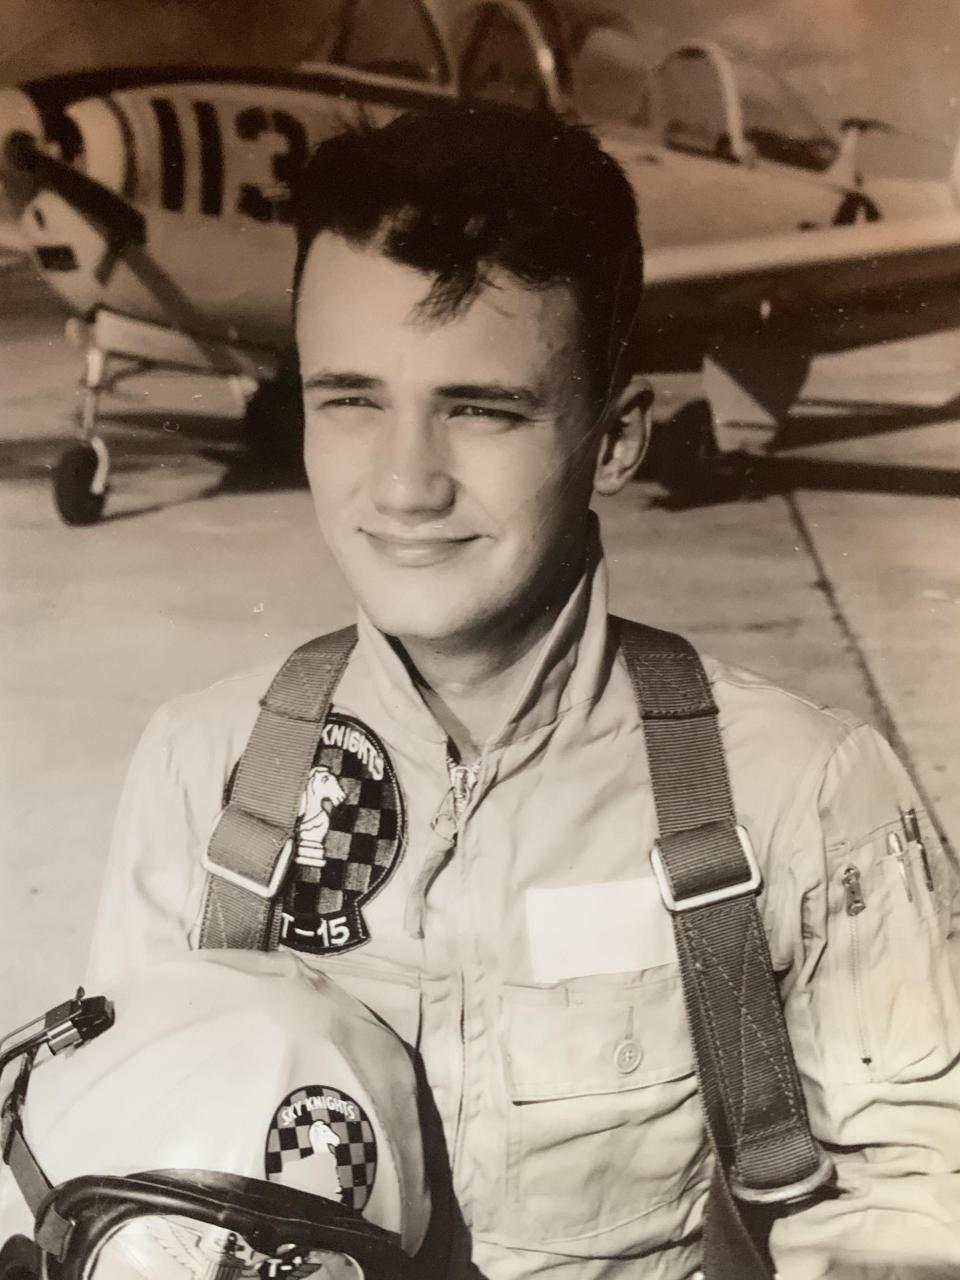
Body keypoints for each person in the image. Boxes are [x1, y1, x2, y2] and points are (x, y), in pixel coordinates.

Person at [84, 104, 960, 1279]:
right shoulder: (205, 774)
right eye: (350, 398)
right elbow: (116, 1181)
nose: (405, 483)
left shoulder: (801, 791)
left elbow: (911, 1213)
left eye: (481, 409)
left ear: (614, 437)